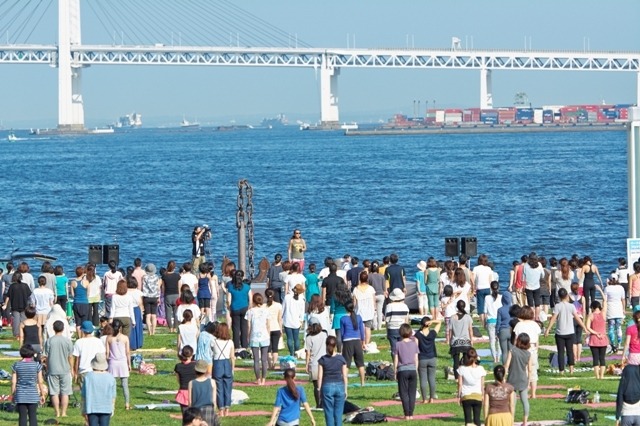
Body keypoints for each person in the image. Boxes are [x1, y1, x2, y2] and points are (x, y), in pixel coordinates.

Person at [545, 287, 587, 374]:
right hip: (570, 332)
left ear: (559, 296)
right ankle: (571, 369)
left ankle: (561, 370)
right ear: (567, 296)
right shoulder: (571, 306)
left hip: (560, 332)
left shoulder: (557, 306)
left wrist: (548, 329)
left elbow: (553, 318)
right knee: (570, 351)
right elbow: (577, 318)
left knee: (560, 352)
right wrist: (584, 326)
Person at [42, 320, 73, 418]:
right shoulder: (68, 341)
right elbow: (70, 356)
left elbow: (45, 356)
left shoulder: (49, 341)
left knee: (54, 392)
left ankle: (57, 412)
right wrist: (72, 368)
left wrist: (46, 366)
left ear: (53, 329)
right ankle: (64, 412)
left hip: (53, 369)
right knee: (65, 392)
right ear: (63, 329)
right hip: (65, 369)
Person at [12, 344, 46, 426]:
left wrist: (13, 394)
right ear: (32, 353)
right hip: (33, 395)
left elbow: (13, 382)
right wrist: (42, 394)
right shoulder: (37, 365)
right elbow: (40, 381)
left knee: (22, 417)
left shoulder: (16, 365)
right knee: (33, 416)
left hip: (20, 394)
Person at [317, 336, 348, 426]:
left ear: (326, 345)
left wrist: (319, 390)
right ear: (335, 346)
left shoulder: (322, 360)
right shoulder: (341, 359)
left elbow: (320, 377)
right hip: (340, 386)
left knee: (329, 413)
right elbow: (345, 376)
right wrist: (345, 389)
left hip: (327, 386)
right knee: (338, 414)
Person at [512, 306, 541, 398]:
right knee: (533, 371)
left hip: (521, 349)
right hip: (532, 349)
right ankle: (533, 394)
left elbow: (516, 340)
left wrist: (514, 349)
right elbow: (537, 340)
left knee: (522, 371)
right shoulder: (535, 324)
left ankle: (523, 391)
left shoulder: (519, 325)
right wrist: (536, 349)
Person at [505, 333, 533, 426]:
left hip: (512, 379)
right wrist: (529, 382)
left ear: (519, 341)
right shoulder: (528, 354)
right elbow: (529, 370)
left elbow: (507, 365)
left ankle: (511, 421)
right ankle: (525, 421)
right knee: (525, 401)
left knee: (512, 402)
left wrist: (504, 378)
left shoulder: (512, 350)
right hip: (523, 379)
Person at [82, 353, 117, 426]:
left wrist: (84, 409)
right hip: (106, 408)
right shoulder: (110, 377)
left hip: (91, 408)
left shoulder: (88, 377)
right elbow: (113, 396)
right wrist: (112, 408)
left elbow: (84, 396)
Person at [394, 323, 419, 420]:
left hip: (402, 370)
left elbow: (396, 359)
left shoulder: (398, 344)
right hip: (412, 369)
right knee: (412, 393)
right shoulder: (414, 344)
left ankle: (406, 414)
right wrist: (416, 369)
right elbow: (416, 358)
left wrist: (395, 370)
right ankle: (411, 414)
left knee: (403, 393)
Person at [105, 318, 131, 410]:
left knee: (113, 385)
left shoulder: (109, 338)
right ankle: (127, 404)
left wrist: (106, 363)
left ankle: (113, 404)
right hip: (123, 362)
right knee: (125, 385)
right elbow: (127, 352)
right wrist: (129, 364)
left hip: (112, 363)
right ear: (120, 328)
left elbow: (107, 353)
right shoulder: (125, 338)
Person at [457, 347, 486, 426]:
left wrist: (459, 396)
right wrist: (483, 396)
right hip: (478, 396)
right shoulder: (481, 369)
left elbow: (460, 384)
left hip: (466, 396)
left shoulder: (462, 369)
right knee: (477, 419)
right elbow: (482, 385)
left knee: (468, 420)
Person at [415, 317, 441, 404]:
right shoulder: (432, 333)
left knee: (423, 379)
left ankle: (424, 399)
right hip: (432, 358)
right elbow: (439, 322)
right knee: (432, 379)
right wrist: (432, 321)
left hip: (422, 358)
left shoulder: (417, 335)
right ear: (428, 324)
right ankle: (432, 398)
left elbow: (415, 348)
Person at [246, 293, 270, 385]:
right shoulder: (266, 311)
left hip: (254, 336)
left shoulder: (250, 311)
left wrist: (248, 336)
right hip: (265, 336)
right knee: (264, 359)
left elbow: (249, 326)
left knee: (256, 360)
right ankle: (264, 379)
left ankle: (258, 379)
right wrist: (268, 334)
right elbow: (268, 325)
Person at [340, 302, 366, 386]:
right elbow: (362, 331)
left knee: (346, 364)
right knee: (360, 363)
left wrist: (342, 344)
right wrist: (363, 341)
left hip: (347, 341)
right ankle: (362, 383)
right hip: (357, 341)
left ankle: (345, 383)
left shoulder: (343, 319)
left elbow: (342, 333)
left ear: (345, 309)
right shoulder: (358, 317)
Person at [211, 323, 234, 417]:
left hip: (217, 364)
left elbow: (212, 352)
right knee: (228, 389)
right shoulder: (230, 342)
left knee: (219, 389)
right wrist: (232, 368)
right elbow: (232, 357)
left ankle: (221, 410)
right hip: (227, 364)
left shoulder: (214, 341)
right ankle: (227, 410)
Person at [305, 317, 327, 409]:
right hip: (325, 362)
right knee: (324, 385)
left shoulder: (308, 338)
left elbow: (308, 353)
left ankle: (318, 404)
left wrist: (306, 365)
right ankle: (324, 403)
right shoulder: (324, 334)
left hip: (314, 364)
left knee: (316, 386)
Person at [189, 360, 219, 426]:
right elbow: (214, 400)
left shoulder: (191, 383)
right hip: (209, 410)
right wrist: (214, 411)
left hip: (196, 411)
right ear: (206, 370)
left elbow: (190, 402)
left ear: (195, 369)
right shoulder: (212, 382)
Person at [227, 270, 251, 349]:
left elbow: (228, 300)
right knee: (244, 327)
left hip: (235, 308)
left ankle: (236, 346)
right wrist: (249, 308)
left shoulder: (231, 287)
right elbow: (250, 298)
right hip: (244, 308)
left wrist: (229, 308)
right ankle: (244, 345)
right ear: (243, 277)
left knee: (236, 328)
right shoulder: (247, 287)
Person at [450, 300, 474, 379]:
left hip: (456, 342)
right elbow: (470, 330)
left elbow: (450, 331)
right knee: (466, 360)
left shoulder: (452, 318)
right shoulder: (468, 317)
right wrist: (472, 340)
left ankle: (457, 377)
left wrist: (450, 341)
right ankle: (465, 376)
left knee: (456, 362)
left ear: (457, 307)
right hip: (466, 342)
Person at [4, 272, 32, 339]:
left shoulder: (12, 286)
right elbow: (29, 295)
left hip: (15, 305)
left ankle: (17, 335)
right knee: (24, 320)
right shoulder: (25, 285)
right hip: (24, 305)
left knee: (16, 320)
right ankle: (24, 333)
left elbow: (8, 296)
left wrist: (5, 304)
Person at [586, 299, 608, 378]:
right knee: (602, 358)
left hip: (594, 339)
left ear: (592, 307)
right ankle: (602, 376)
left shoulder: (591, 315)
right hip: (603, 339)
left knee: (595, 358)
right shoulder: (603, 314)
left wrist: (595, 333)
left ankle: (597, 376)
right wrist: (602, 293)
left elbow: (588, 327)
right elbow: (605, 302)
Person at [385, 288, 410, 359]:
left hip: (392, 329)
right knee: (402, 348)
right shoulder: (405, 306)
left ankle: (395, 363)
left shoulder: (389, 306)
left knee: (394, 349)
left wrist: (387, 332)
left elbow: (387, 320)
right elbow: (406, 320)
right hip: (402, 328)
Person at [352, 270, 375, 346]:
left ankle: (362, 343)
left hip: (359, 311)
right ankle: (367, 344)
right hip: (369, 311)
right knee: (367, 328)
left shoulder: (356, 289)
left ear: (360, 279)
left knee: (360, 329)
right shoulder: (371, 288)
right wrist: (374, 309)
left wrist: (352, 310)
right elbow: (373, 300)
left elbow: (354, 302)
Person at [283, 283, 306, 356]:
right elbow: (302, 312)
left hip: (287, 320)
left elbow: (283, 308)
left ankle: (291, 353)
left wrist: (281, 318)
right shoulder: (301, 300)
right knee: (296, 338)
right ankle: (296, 352)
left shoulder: (287, 297)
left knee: (289, 338)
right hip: (296, 321)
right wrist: (301, 320)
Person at [606, 276, 627, 353]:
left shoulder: (607, 288)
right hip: (619, 309)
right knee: (618, 327)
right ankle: (619, 344)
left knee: (611, 328)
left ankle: (613, 344)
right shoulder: (620, 288)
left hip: (610, 309)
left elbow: (605, 300)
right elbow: (623, 299)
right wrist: (624, 309)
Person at [264, 288, 283, 369]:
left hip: (266, 329)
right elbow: (280, 319)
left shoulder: (264, 306)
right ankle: (274, 364)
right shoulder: (279, 305)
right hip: (276, 328)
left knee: (268, 348)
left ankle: (269, 364)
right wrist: (281, 329)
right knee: (275, 348)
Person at [484, 281, 502, 363]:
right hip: (499, 320)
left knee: (492, 340)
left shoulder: (487, 298)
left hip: (490, 321)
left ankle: (494, 358)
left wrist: (484, 322)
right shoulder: (501, 297)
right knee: (499, 340)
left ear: (490, 288)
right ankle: (498, 357)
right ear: (498, 288)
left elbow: (485, 311)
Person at [175, 345, 197, 413]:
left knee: (185, 415)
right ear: (192, 355)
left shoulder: (178, 366)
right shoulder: (195, 365)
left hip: (183, 391)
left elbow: (178, 379)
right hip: (194, 391)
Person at [523, 253, 545, 321]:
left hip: (528, 286)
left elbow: (523, 277)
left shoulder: (526, 265)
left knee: (530, 304)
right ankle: (537, 318)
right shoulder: (539, 265)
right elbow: (543, 275)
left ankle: (532, 317)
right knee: (537, 304)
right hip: (536, 286)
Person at [473, 254, 494, 324]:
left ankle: (483, 323)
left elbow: (473, 279)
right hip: (488, 288)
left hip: (480, 289)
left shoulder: (476, 268)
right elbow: (491, 280)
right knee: (487, 306)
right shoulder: (489, 269)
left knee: (480, 307)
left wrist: (473, 287)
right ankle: (487, 320)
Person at [162, 260, 182, 333]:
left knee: (168, 313)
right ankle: (175, 328)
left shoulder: (164, 276)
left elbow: (163, 287)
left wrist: (163, 294)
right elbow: (179, 287)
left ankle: (170, 328)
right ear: (174, 267)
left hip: (167, 295)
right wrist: (179, 295)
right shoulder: (177, 276)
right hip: (176, 295)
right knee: (176, 312)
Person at [142, 263, 160, 335]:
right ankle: (153, 331)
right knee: (154, 315)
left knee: (148, 315)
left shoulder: (144, 277)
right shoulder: (156, 277)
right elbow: (158, 288)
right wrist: (158, 296)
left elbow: (143, 287)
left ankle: (149, 331)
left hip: (146, 297)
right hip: (154, 297)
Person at [496, 292, 514, 364]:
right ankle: (511, 367)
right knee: (511, 351)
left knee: (504, 352)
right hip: (511, 330)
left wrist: (497, 331)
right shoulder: (513, 308)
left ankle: (505, 368)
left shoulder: (500, 310)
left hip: (502, 331)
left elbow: (498, 322)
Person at [368, 261, 386, 330]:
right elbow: (384, 287)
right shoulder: (381, 276)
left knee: (373, 311)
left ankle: (374, 326)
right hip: (381, 294)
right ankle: (379, 326)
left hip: (373, 295)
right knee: (379, 311)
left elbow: (368, 286)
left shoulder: (369, 276)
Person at [127, 278, 144, 351]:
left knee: (130, 326)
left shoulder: (126, 292)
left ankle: (131, 343)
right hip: (136, 309)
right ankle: (138, 343)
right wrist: (142, 312)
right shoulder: (138, 292)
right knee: (137, 326)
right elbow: (140, 303)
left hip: (128, 309)